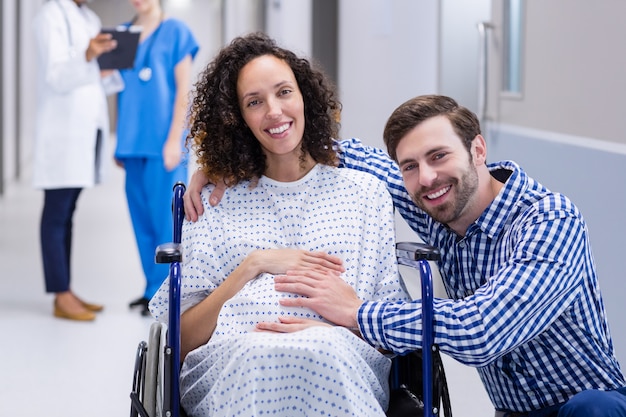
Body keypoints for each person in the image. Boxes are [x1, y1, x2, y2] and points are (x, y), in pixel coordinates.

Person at [186, 95, 626, 416]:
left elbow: (481, 331)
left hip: (589, 405)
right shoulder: (435, 202)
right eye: (410, 165)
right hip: (514, 412)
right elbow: (325, 152)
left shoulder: (549, 222)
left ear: (478, 150)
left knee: (593, 409)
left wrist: (357, 313)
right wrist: (226, 161)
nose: (427, 177)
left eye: (439, 156)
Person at [149, 32, 410, 417]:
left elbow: (393, 331)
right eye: (255, 102)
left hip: (340, 357)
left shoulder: (364, 194)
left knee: (323, 352)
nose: (274, 111)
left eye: (284, 92)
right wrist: (252, 265)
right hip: (235, 362)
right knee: (259, 355)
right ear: (237, 118)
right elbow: (183, 341)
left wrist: (334, 333)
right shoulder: (214, 202)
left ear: (305, 96)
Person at [33, 0, 120, 321]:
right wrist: (87, 55)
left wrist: (108, 64)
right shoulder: (49, 16)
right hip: (63, 132)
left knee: (68, 212)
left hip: (87, 130)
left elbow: (95, 75)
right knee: (56, 214)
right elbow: (55, 74)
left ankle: (65, 290)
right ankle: (60, 294)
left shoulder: (89, 16)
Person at [114, 0, 199, 316]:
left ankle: (166, 294)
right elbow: (116, 86)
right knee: (141, 220)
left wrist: (175, 138)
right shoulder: (123, 34)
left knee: (167, 221)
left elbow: (182, 91)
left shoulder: (176, 31)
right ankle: (151, 289)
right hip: (132, 142)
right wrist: (119, 142)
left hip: (165, 143)